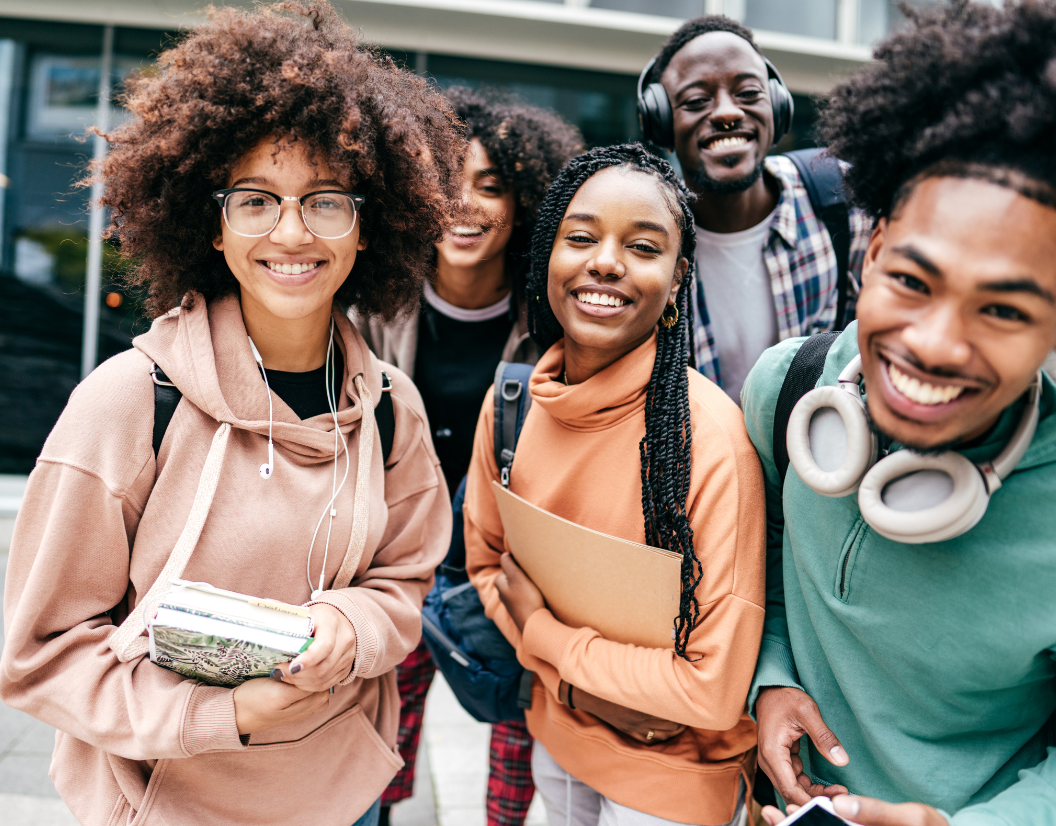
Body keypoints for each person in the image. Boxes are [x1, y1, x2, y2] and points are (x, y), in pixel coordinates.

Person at [0, 3, 461, 824]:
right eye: (255, 200)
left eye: (326, 200)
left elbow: (403, 581)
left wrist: (348, 626)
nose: (291, 230)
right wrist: (226, 716)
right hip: (164, 803)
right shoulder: (130, 400)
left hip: (337, 798)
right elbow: (39, 654)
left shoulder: (392, 408)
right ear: (212, 226)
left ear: (367, 227)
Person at [741, 3, 1056, 824]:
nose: (932, 344)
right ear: (874, 247)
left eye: (1001, 310)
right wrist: (772, 678)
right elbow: (767, 558)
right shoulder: (786, 387)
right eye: (913, 281)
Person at [465, 143, 766, 826]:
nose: (605, 261)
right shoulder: (512, 403)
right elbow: (486, 566)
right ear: (548, 253)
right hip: (556, 743)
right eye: (581, 237)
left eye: (642, 246)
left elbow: (713, 693)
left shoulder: (710, 443)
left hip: (674, 789)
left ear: (677, 275)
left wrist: (547, 640)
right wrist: (582, 693)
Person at [355, 86, 582, 826]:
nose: (467, 202)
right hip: (398, 554)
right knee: (382, 733)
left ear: (524, 206)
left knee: (515, 730)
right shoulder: (371, 306)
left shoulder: (549, 314)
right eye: (448, 179)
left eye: (491, 185)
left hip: (505, 561)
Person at [641, 16, 873, 404]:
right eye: (697, 101)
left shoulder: (846, 200)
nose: (727, 113)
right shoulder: (647, 239)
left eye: (748, 93)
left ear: (777, 105)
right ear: (661, 122)